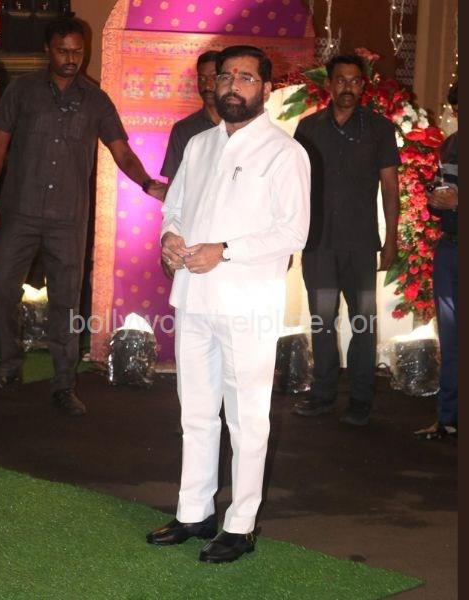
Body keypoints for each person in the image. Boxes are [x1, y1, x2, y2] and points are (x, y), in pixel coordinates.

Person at [146, 45, 310, 563]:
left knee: (247, 418)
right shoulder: (198, 144)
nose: (232, 85)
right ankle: (194, 513)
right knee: (196, 412)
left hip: (247, 302)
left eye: (245, 77)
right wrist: (170, 236)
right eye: (225, 76)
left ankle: (240, 525)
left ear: (266, 88)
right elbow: (174, 207)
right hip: (193, 296)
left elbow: (294, 231)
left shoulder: (285, 153)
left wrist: (226, 251)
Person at [0, 17, 166, 414]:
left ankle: (63, 384)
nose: (71, 59)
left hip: (67, 218)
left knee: (66, 301)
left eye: (78, 52)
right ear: (49, 50)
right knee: (2, 287)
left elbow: (121, 151)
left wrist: (147, 183)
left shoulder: (96, 100)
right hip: (19, 212)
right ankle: (8, 366)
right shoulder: (22, 91)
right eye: (63, 51)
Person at [291, 54, 400, 427]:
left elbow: (390, 187)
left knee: (363, 322)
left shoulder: (380, 129)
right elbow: (294, 187)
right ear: (329, 84)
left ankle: (360, 399)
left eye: (354, 81)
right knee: (322, 320)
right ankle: (323, 395)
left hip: (360, 244)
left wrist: (390, 239)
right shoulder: (308, 128)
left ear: (363, 85)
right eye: (341, 80)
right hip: (318, 244)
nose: (347, 87)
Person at [415, 80, 458, 440]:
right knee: (450, 337)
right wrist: (434, 197)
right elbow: (442, 191)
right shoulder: (450, 145)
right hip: (450, 249)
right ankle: (447, 418)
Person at [159, 50, 220, 280]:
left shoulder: (242, 129)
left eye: (213, 77)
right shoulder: (184, 130)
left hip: (230, 235)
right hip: (192, 233)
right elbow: (173, 193)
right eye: (202, 78)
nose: (207, 85)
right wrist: (168, 236)